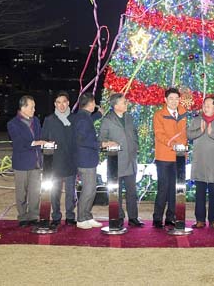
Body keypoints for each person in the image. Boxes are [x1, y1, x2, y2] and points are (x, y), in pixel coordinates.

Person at [99, 93, 144, 227]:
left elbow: (134, 134)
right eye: (124, 102)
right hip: (116, 161)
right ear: (116, 105)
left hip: (131, 161)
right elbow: (101, 139)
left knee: (132, 191)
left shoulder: (129, 117)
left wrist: (136, 147)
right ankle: (118, 217)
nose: (126, 104)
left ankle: (133, 218)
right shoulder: (107, 120)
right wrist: (107, 143)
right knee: (116, 192)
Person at [187, 96, 214, 229]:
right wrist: (200, 131)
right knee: (199, 192)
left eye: (209, 105)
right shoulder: (196, 120)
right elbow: (188, 135)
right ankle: (200, 220)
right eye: (204, 105)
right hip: (199, 162)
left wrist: (212, 134)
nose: (205, 107)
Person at [7, 95, 48, 227]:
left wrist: (45, 142)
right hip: (21, 163)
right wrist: (37, 143)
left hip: (36, 162)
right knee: (21, 192)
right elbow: (19, 143)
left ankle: (34, 216)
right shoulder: (12, 123)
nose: (34, 110)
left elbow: (40, 136)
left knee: (35, 192)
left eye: (34, 107)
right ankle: (23, 217)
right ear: (23, 107)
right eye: (32, 107)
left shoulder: (35, 120)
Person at [39, 91, 78, 227]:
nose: (62, 105)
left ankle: (70, 216)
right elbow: (43, 139)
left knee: (70, 193)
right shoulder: (49, 120)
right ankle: (55, 216)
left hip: (70, 161)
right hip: (54, 162)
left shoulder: (74, 119)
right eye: (59, 102)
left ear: (68, 103)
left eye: (64, 102)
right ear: (55, 104)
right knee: (54, 192)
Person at [152, 87, 187, 228]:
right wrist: (173, 144)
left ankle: (171, 217)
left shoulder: (184, 114)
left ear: (179, 100)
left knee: (176, 188)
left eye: (176, 99)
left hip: (179, 157)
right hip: (164, 157)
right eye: (171, 98)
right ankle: (157, 217)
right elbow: (159, 134)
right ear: (165, 100)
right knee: (163, 188)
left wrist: (183, 146)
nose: (174, 101)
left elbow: (185, 134)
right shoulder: (159, 115)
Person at [73, 93, 104, 229]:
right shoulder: (82, 119)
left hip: (88, 158)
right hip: (85, 159)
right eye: (94, 103)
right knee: (88, 190)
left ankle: (87, 215)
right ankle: (81, 218)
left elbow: (90, 121)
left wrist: (99, 114)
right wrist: (100, 144)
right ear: (90, 103)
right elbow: (82, 139)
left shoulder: (83, 116)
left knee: (91, 189)